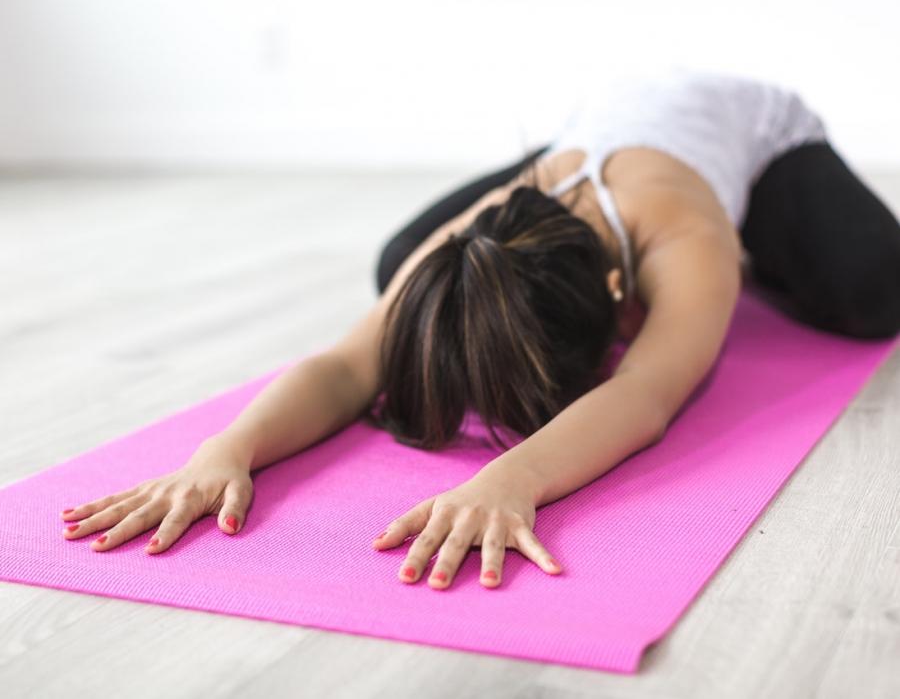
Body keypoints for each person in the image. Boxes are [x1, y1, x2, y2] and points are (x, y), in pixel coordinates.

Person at [59, 69, 900, 591]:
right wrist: (224, 451)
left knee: (873, 294)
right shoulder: (489, 223)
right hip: (586, 140)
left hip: (755, 132)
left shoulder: (689, 235)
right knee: (405, 268)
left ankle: (778, 250)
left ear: (618, 301)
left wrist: (511, 479)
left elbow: (646, 393)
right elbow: (351, 365)